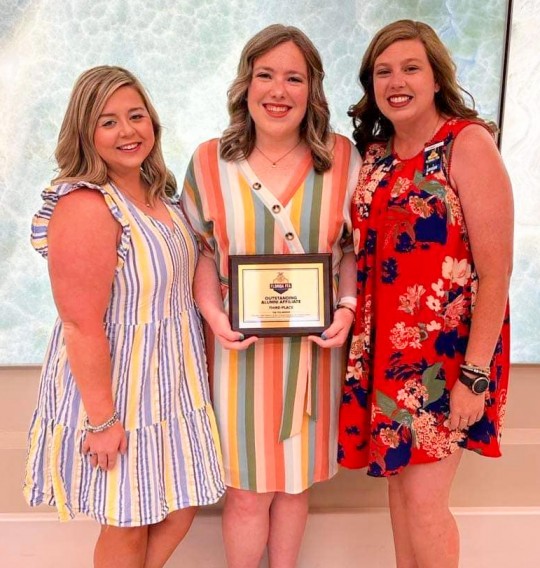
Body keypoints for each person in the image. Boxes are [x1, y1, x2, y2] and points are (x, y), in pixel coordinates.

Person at [23, 65, 225, 568]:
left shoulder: (161, 198)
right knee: (129, 521)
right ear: (85, 131)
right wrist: (103, 420)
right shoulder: (87, 205)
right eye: (108, 121)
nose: (127, 131)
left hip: (172, 384)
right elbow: (79, 323)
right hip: (120, 390)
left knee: (180, 506)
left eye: (136, 116)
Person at [181, 24, 361, 568]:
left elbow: (351, 249)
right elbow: (200, 252)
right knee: (245, 491)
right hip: (237, 354)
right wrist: (214, 315)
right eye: (265, 75)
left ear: (312, 89)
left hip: (313, 352)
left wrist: (347, 307)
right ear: (246, 84)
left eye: (293, 78)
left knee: (295, 486)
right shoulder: (209, 161)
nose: (278, 91)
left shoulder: (342, 159)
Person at [338, 19, 513, 568]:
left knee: (424, 501)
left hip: (447, 359)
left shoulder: (467, 143)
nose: (396, 81)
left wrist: (474, 377)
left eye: (411, 68)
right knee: (400, 495)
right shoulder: (374, 155)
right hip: (386, 355)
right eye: (383, 71)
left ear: (436, 77)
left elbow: (496, 273)